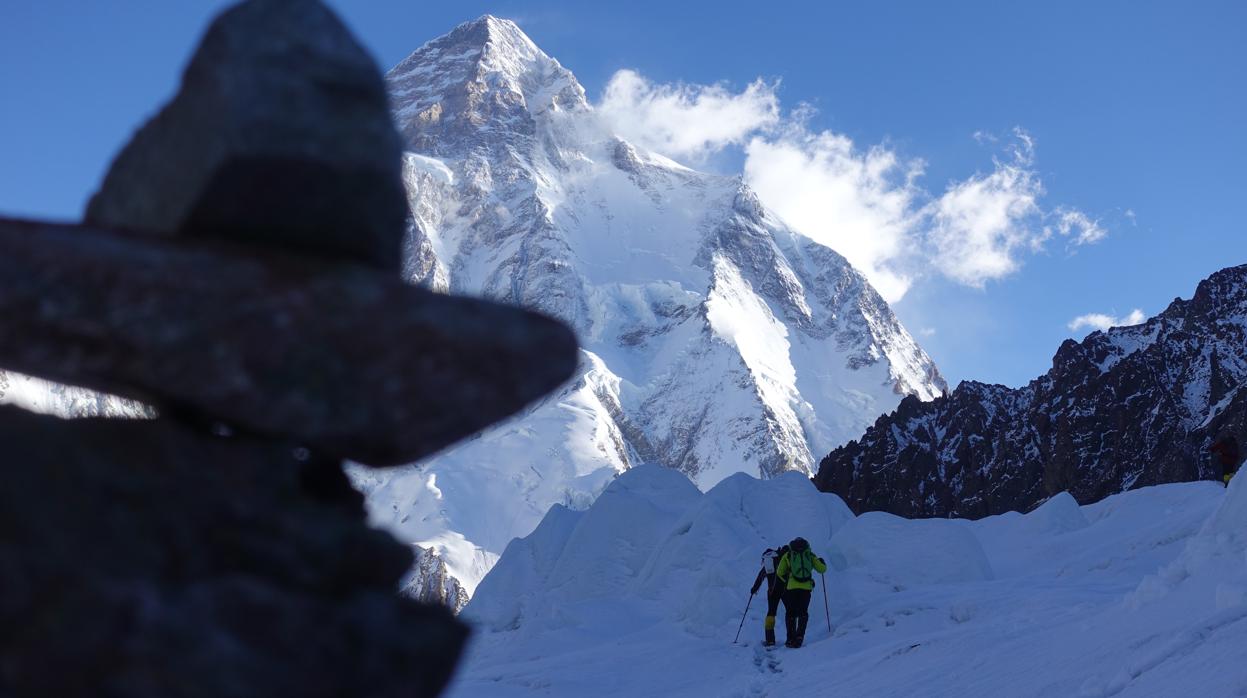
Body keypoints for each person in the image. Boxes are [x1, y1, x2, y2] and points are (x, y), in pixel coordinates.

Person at [776, 537, 827, 648]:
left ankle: (790, 639)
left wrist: (788, 580)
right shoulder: (810, 555)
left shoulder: (789, 555)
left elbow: (779, 572)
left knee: (790, 613)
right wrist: (822, 562)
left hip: (791, 588)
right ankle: (799, 637)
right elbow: (822, 569)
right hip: (806, 588)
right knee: (803, 613)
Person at [749, 545, 789, 646]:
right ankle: (792, 637)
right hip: (786, 589)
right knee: (790, 613)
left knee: (771, 614)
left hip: (772, 591)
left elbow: (760, 577)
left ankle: (770, 640)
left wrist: (754, 589)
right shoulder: (783, 559)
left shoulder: (768, 563)